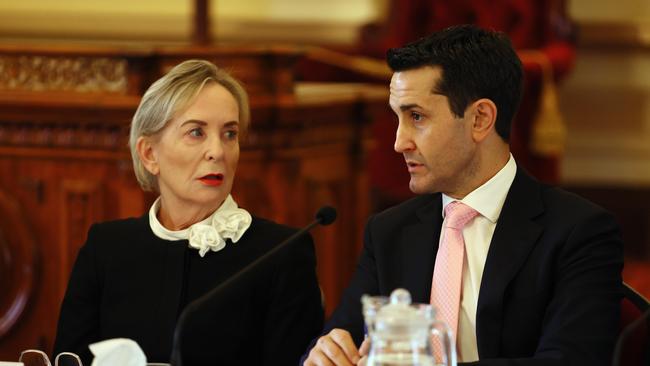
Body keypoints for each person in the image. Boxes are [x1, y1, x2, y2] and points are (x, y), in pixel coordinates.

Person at [303, 25, 623, 366]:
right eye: (397, 118)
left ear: (480, 119)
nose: (399, 142)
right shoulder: (388, 232)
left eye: (416, 117)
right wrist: (325, 354)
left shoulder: (579, 231)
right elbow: (341, 340)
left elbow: (570, 361)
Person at [53, 59, 324, 365]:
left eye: (230, 134)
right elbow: (67, 359)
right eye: (196, 132)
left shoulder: (281, 253)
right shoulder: (105, 248)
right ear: (149, 153)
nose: (218, 151)